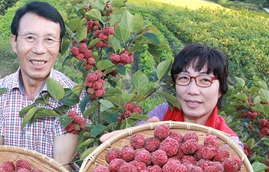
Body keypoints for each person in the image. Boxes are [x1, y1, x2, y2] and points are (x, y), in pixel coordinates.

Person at [0, 1, 84, 169]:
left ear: (59, 45)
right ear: (14, 42)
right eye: (30, 38)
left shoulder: (71, 96)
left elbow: (62, 170)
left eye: (49, 39)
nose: (39, 49)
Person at [101, 42, 241, 147]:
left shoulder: (228, 143)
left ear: (221, 90)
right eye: (184, 78)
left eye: (204, 80)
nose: (192, 90)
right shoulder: (163, 114)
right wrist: (144, 138)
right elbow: (125, 140)